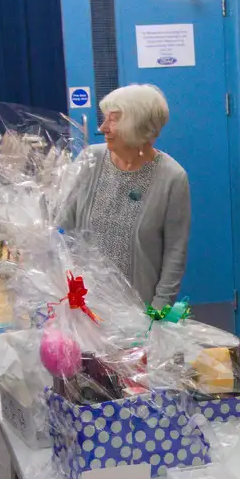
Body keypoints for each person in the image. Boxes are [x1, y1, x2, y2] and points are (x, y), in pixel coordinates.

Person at [58, 83, 190, 310]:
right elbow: (62, 227)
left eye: (113, 119)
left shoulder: (172, 177)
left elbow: (175, 254)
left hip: (138, 310)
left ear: (139, 124)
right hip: (84, 306)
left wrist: (158, 313)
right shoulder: (90, 160)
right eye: (105, 119)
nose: (102, 128)